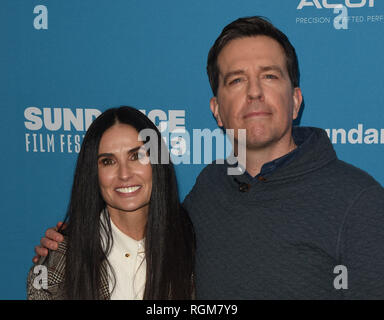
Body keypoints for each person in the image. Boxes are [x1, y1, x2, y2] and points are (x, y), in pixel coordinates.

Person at [34, 17, 384, 299]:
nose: (254, 92)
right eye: (236, 80)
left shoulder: (360, 202)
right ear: (217, 111)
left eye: (269, 76)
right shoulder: (210, 186)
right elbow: (153, 228)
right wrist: (70, 242)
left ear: (295, 100)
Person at [27, 106, 194, 300]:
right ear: (93, 173)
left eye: (136, 156)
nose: (124, 174)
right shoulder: (60, 259)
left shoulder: (191, 244)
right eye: (108, 161)